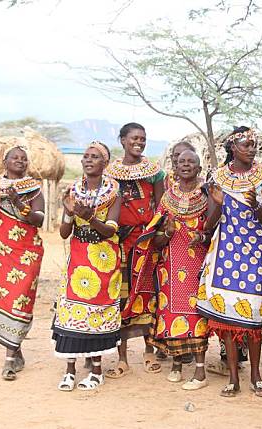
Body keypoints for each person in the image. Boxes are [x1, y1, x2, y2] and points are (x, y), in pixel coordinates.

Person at [196, 126, 262, 398]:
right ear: (233, 147)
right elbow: (209, 224)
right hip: (225, 253)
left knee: (252, 313)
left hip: (256, 252)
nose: (252, 148)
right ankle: (233, 377)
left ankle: (256, 375)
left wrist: (256, 207)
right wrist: (218, 204)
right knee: (226, 313)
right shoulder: (216, 178)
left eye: (254, 144)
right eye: (246, 144)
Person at [132, 149, 211, 390]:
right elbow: (155, 239)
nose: (186, 165)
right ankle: (176, 364)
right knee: (170, 312)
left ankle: (199, 371)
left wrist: (202, 235)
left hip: (198, 263)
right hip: (170, 264)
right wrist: (166, 231)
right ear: (174, 169)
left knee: (197, 313)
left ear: (199, 168)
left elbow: (215, 231)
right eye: (181, 162)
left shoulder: (208, 196)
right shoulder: (167, 198)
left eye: (191, 162)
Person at [53, 141, 122, 391]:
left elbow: (110, 230)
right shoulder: (72, 191)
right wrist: (70, 212)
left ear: (105, 164)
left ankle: (96, 371)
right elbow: (63, 232)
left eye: (95, 157)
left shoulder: (114, 193)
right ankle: (69, 371)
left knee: (97, 311)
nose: (89, 160)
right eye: (86, 156)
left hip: (104, 259)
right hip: (78, 256)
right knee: (71, 311)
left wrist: (89, 216)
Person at [103, 122, 165, 378]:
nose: (139, 142)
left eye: (143, 138)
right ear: (122, 140)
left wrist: (159, 235)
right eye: (134, 138)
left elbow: (162, 206)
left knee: (148, 294)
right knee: (121, 297)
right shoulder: (110, 173)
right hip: (118, 242)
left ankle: (149, 352)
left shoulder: (155, 172)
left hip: (147, 241)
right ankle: (122, 358)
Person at [0, 145, 45, 380]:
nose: (20, 161)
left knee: (20, 300)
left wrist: (18, 203)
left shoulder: (34, 188)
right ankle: (13, 351)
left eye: (24, 158)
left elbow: (38, 219)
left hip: (27, 253)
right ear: (5, 162)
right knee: (4, 299)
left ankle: (9, 359)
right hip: (1, 255)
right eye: (15, 158)